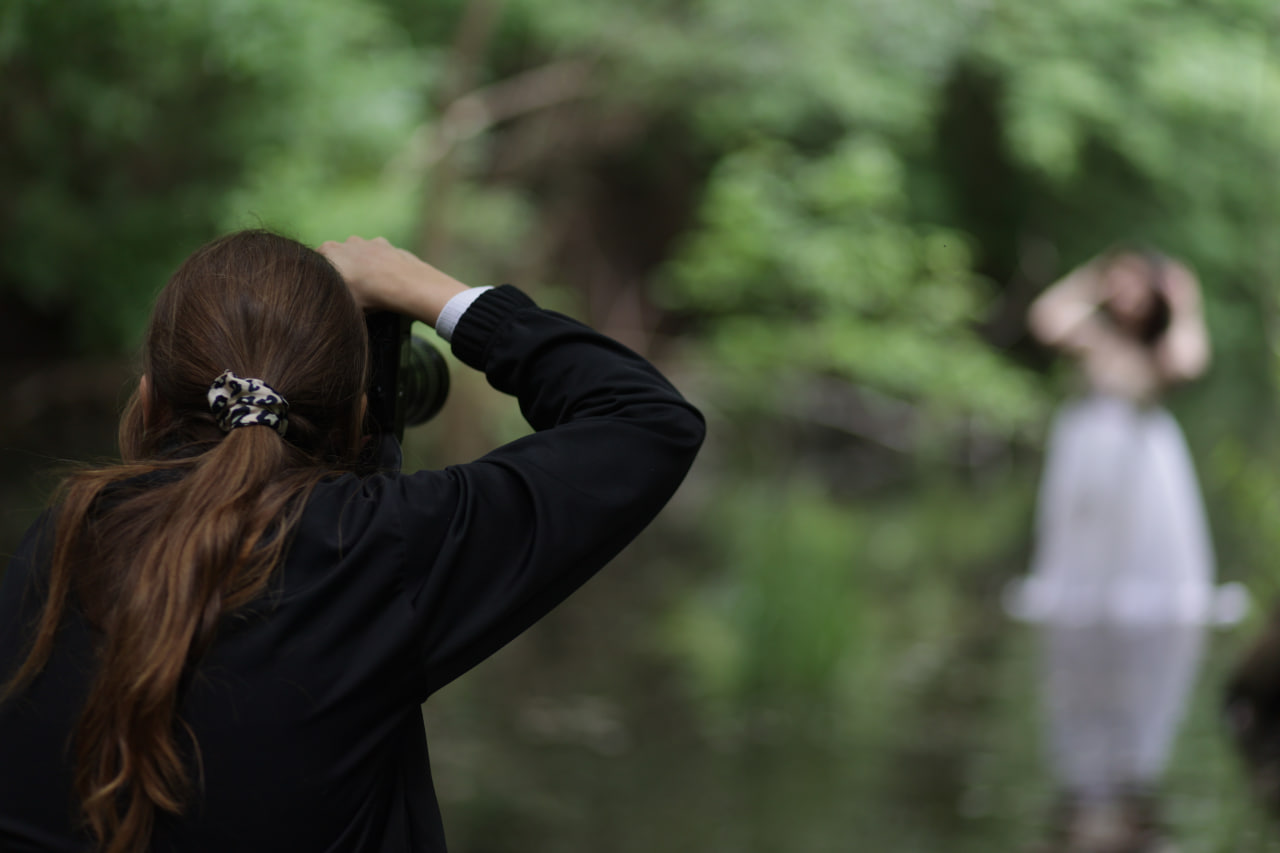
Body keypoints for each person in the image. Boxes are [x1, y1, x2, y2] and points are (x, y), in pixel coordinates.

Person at [0, 230, 705, 853]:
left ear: (149, 400)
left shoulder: (59, 540)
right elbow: (647, 419)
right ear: (356, 418)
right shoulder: (373, 548)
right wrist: (428, 291)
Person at [1007, 249, 1240, 852]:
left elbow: (1191, 360)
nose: (1129, 295)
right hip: (1087, 459)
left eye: (1140, 287)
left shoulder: (1159, 351)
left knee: (1149, 578)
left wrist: (1187, 301)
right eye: (1123, 285)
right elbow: (1045, 315)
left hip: (1145, 469)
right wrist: (1092, 276)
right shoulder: (1094, 338)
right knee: (1080, 571)